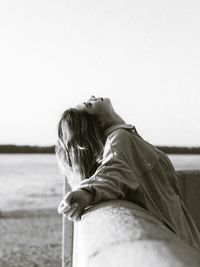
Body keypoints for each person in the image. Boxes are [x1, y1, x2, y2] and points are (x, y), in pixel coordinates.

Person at [56, 96, 200, 250]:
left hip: (179, 229)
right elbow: (114, 169)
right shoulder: (119, 138)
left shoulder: (125, 136)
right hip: (174, 232)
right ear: (99, 122)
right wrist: (88, 192)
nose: (92, 97)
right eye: (89, 104)